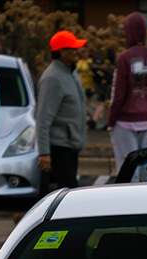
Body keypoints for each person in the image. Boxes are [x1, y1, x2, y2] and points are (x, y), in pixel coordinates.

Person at [107, 12, 147, 182]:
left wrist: (111, 120)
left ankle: (129, 206)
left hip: (125, 121)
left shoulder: (124, 58)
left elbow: (118, 94)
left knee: (128, 171)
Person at [36, 30, 89, 192]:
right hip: (58, 148)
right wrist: (44, 153)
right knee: (67, 194)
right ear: (61, 52)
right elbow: (43, 119)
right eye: (73, 48)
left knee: (67, 194)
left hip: (70, 147)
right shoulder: (52, 78)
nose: (77, 52)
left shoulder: (71, 73)